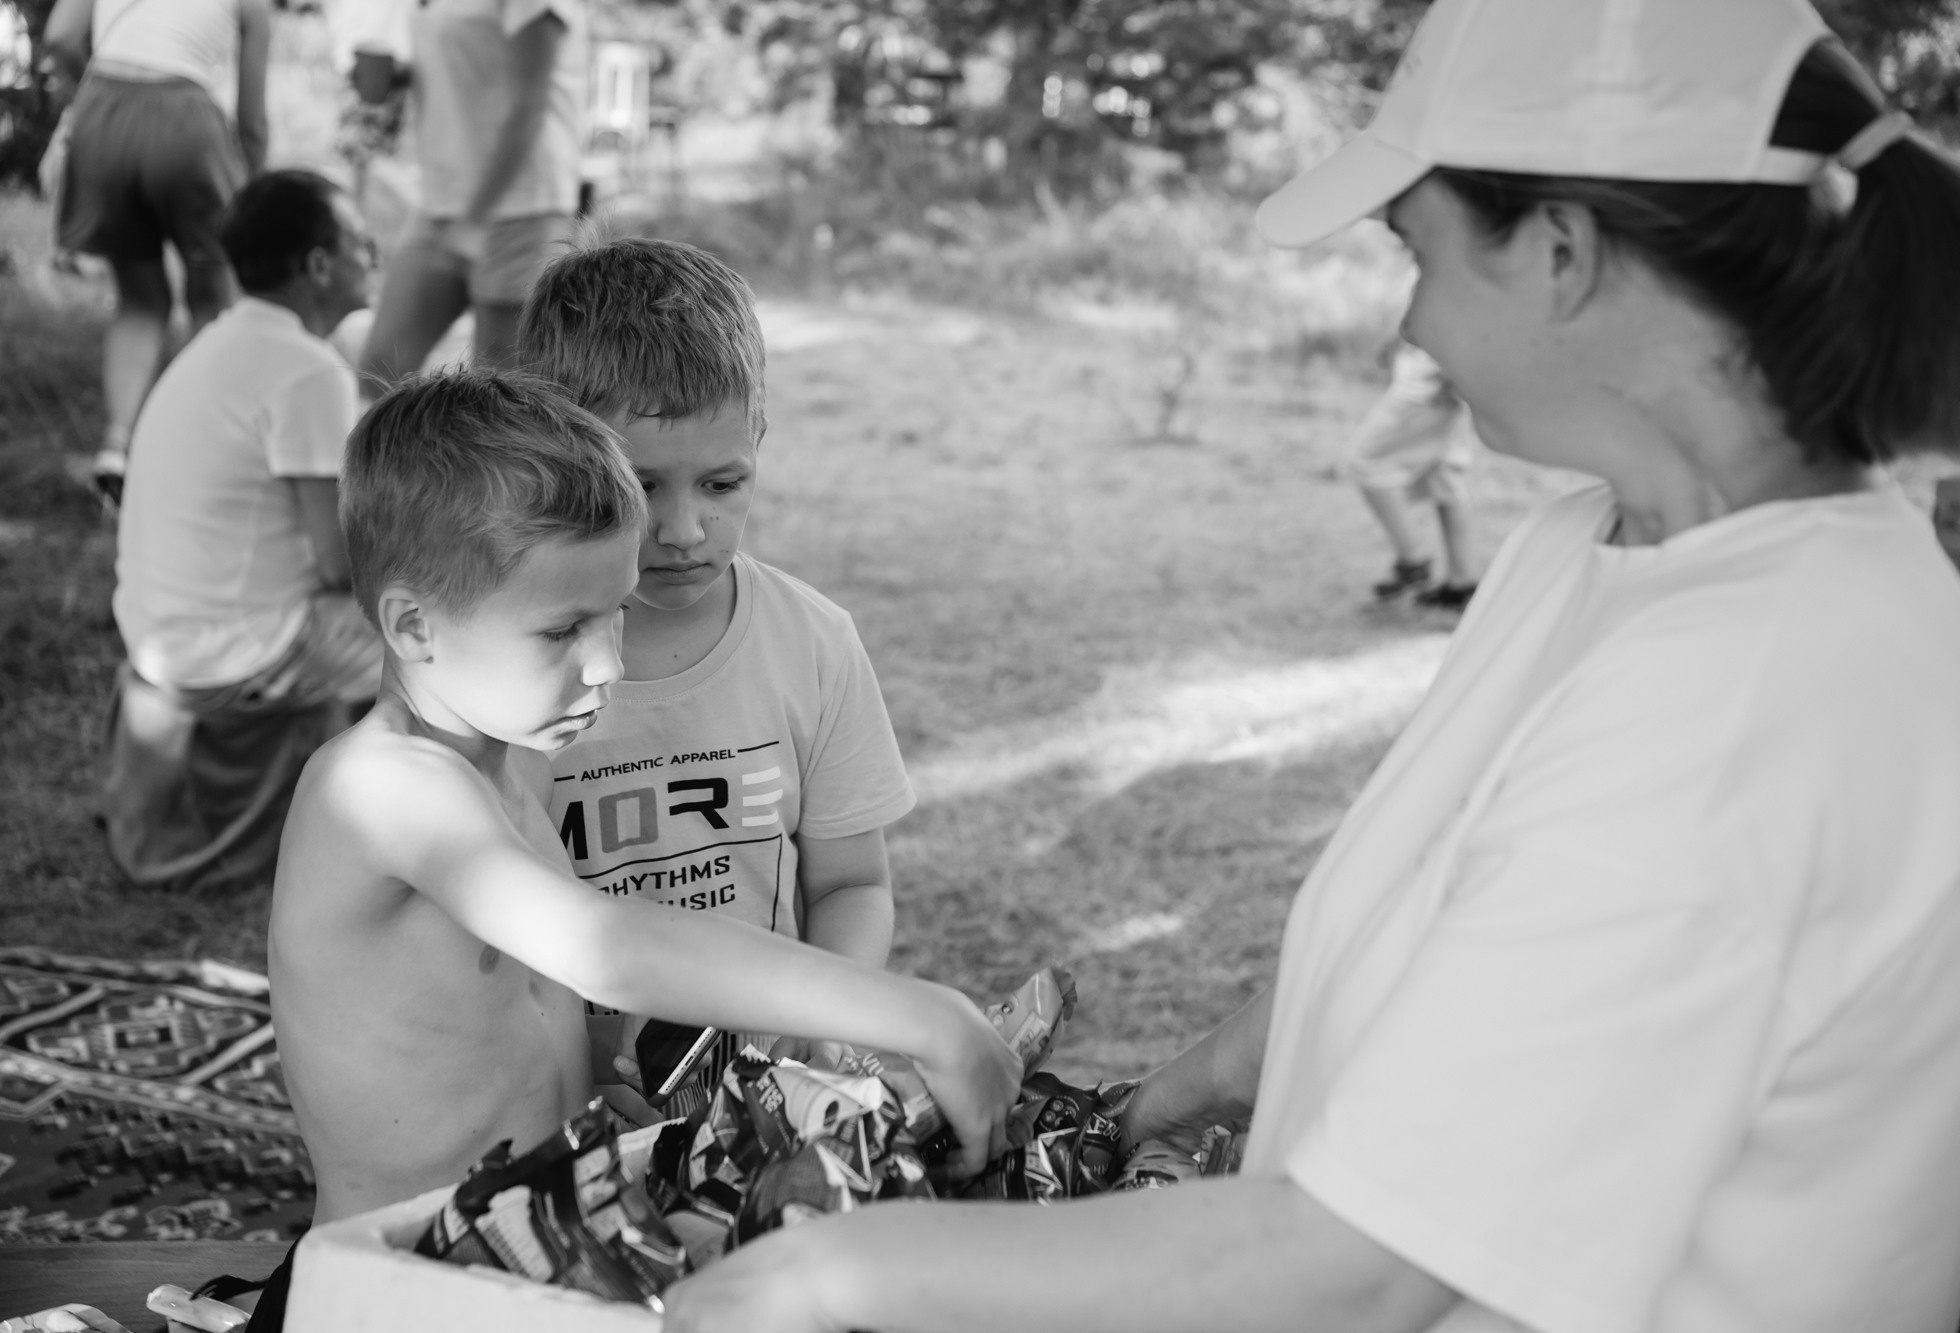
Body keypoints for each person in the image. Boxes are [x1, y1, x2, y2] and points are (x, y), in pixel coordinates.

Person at [661, 1, 1960, 1329]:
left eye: (1419, 250)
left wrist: (827, 1272)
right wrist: (1137, 1113)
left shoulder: (1752, 692)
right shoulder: (1590, 546)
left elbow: (1363, 1270)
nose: (1411, 321)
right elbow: (1425, 930)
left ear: (1561, 251)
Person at [257, 370, 1021, 1327]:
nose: (609, 663)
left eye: (614, 612)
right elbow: (608, 944)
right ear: (413, 625)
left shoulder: (500, 776)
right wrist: (924, 1016)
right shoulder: (378, 787)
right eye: (564, 627)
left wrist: (594, 1065)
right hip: (393, 1293)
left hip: (530, 1259)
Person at [516, 237, 915, 1109]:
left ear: (760, 441)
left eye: (724, 483)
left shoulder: (813, 642)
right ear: (557, 452)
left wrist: (827, 1018)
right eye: (642, 485)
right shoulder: (513, 667)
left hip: (761, 1096)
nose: (685, 529)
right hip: (558, 1103)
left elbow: (852, 882)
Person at [105, 169, 382, 895]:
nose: (373, 256)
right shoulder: (306, 370)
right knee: (437, 633)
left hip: (163, 632)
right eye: (361, 241)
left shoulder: (223, 342)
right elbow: (338, 563)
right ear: (319, 264)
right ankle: (396, 843)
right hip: (238, 647)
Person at [41, 0, 272, 502]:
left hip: (101, 106)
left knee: (140, 300)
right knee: (213, 302)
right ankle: (202, 454)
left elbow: (60, 37)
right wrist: (253, 200)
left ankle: (118, 445)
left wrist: (93, 99)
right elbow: (252, 124)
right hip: (186, 119)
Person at [352, 0, 586, 395]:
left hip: (523, 208)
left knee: (501, 392)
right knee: (380, 368)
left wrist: (477, 220)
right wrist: (393, 75)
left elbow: (530, 103)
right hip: (441, 204)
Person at [1348, 340, 1481, 609]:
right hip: (1445, 370)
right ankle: (1462, 582)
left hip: (1435, 377)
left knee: (1365, 460)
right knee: (1443, 473)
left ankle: (1414, 560)